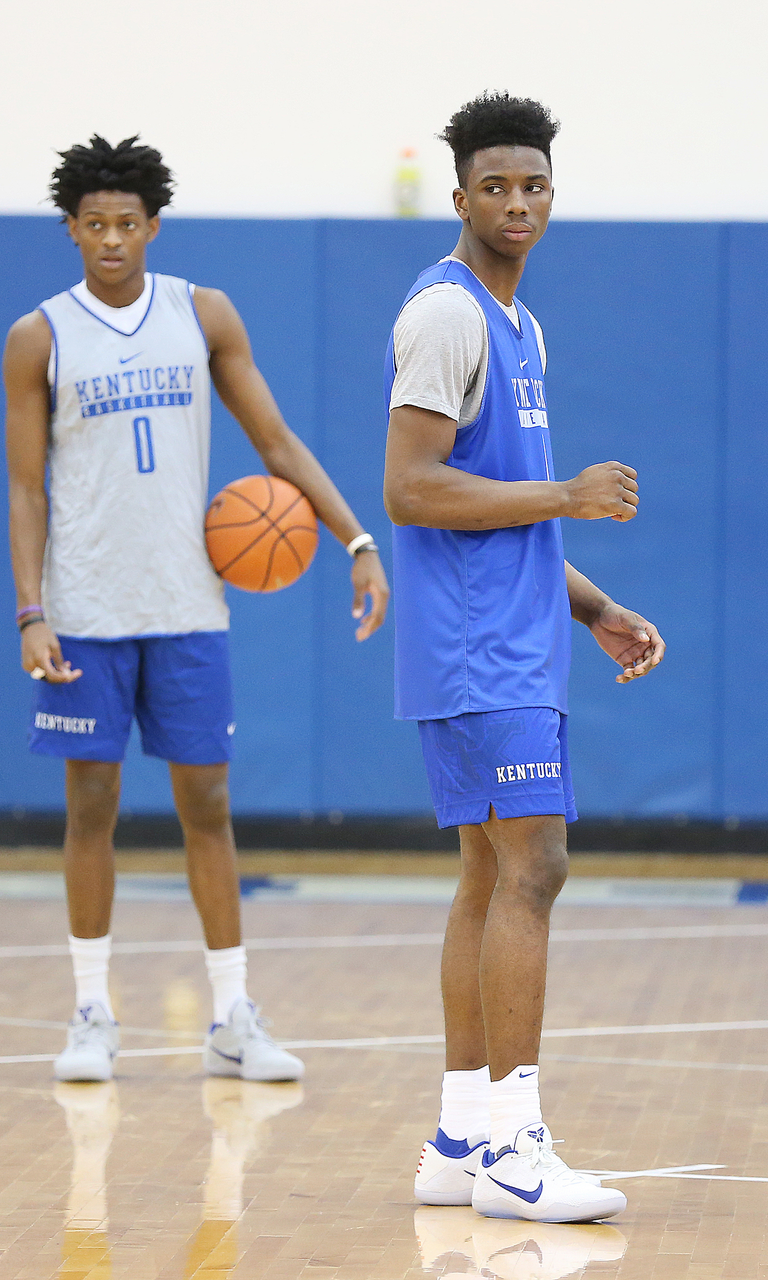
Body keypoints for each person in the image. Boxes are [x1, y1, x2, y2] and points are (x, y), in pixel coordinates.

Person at [4, 134, 389, 1086]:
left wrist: (356, 539)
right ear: (71, 229)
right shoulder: (38, 336)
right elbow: (24, 491)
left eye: (126, 224)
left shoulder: (200, 313)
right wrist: (30, 611)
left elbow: (276, 442)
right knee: (90, 805)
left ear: (152, 226)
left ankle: (231, 1017)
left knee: (206, 805)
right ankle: (92, 1011)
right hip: (86, 607)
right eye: (92, 225)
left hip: (187, 606)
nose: (109, 240)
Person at [383, 93, 665, 1222]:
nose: (516, 203)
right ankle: (515, 1144)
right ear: (459, 197)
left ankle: (459, 1136)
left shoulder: (519, 325)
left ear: (552, 193)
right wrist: (571, 496)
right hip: (476, 651)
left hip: (511, 637)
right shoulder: (447, 313)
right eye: (494, 186)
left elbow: (503, 507)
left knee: (490, 874)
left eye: (533, 185)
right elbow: (409, 487)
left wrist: (590, 602)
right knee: (534, 868)